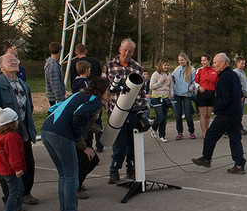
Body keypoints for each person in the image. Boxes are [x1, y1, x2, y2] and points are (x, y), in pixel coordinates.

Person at [41, 77, 110, 211]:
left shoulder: (80, 94)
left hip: (47, 130)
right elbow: (79, 117)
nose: (109, 94)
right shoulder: (94, 100)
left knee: (63, 174)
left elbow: (52, 109)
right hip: (62, 135)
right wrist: (82, 145)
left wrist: (98, 131)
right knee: (71, 174)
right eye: (108, 91)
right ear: (102, 90)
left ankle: (66, 210)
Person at [0, 53, 39, 205]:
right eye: (10, 61)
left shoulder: (23, 85)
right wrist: (6, 126)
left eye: (16, 60)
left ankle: (25, 194)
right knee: (9, 169)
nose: (14, 62)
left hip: (24, 134)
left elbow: (29, 108)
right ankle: (9, 200)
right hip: (8, 137)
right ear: (1, 67)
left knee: (28, 164)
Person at [192, 53, 246, 174]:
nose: (214, 65)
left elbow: (224, 98)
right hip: (236, 111)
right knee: (235, 138)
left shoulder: (225, 77)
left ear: (222, 62)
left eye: (216, 62)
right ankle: (239, 164)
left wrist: (216, 107)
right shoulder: (233, 75)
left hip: (227, 113)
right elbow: (240, 94)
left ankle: (206, 157)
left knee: (211, 134)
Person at [102, 38, 146, 184]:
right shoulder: (109, 66)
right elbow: (104, 88)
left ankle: (131, 168)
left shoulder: (137, 67)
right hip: (116, 110)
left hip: (132, 110)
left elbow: (141, 90)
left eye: (130, 51)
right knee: (119, 143)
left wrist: (141, 105)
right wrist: (107, 105)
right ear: (120, 49)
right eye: (125, 50)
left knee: (132, 142)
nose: (127, 53)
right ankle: (114, 170)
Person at [0, 106, 32, 211]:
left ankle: (17, 210)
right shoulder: (11, 137)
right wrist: (18, 168)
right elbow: (13, 154)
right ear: (11, 123)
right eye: (16, 120)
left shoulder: (0, 135)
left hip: (4, 169)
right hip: (11, 170)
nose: (17, 122)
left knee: (18, 190)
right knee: (15, 191)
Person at [69, 44, 103, 152]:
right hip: (93, 95)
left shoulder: (74, 64)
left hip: (83, 100)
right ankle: (99, 143)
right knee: (95, 120)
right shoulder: (95, 62)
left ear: (76, 52)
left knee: (88, 122)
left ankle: (88, 143)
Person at [172, 52, 197, 140]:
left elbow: (194, 81)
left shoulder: (192, 69)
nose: (181, 62)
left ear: (186, 60)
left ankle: (191, 131)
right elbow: (172, 79)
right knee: (178, 115)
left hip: (186, 94)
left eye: (182, 60)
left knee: (187, 114)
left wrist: (190, 88)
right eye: (179, 60)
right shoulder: (177, 69)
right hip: (177, 94)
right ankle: (179, 132)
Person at [149, 58, 173, 143]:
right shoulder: (155, 74)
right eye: (165, 65)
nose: (166, 67)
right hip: (156, 97)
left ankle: (162, 135)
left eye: (167, 65)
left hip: (166, 97)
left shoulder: (169, 75)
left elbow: (170, 86)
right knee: (160, 116)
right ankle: (153, 127)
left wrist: (171, 95)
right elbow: (151, 87)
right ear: (161, 65)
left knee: (164, 118)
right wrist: (160, 82)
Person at [195, 54, 218, 139]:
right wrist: (199, 87)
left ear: (209, 61)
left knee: (208, 114)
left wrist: (216, 93)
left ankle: (207, 130)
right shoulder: (199, 70)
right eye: (202, 61)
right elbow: (195, 82)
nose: (203, 62)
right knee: (203, 114)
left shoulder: (214, 71)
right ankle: (204, 132)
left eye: (204, 60)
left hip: (211, 94)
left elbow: (216, 83)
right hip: (202, 94)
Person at [45, 42, 66, 107]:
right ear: (60, 51)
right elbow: (55, 84)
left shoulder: (51, 63)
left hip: (54, 97)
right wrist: (60, 99)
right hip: (55, 98)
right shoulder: (53, 65)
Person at [234, 56, 247, 135]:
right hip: (238, 95)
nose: (243, 65)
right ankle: (237, 128)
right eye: (242, 63)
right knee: (238, 112)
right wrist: (240, 94)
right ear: (237, 63)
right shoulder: (236, 72)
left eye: (244, 63)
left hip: (243, 94)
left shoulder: (242, 72)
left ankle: (240, 126)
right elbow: (237, 85)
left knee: (241, 112)